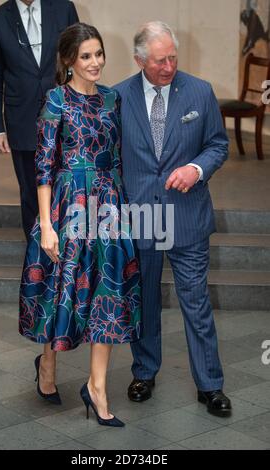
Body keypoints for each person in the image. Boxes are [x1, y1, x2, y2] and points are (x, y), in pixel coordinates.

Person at [19, 23, 141, 427]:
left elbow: (118, 157)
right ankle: (48, 363)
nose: (95, 62)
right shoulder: (56, 100)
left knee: (107, 292)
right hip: (68, 204)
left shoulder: (112, 99)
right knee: (63, 290)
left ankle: (97, 387)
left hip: (107, 205)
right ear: (69, 59)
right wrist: (46, 225)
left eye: (99, 54)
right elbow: (43, 166)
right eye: (86, 56)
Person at [114, 21, 232, 416]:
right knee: (144, 301)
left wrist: (196, 169)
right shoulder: (117, 97)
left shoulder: (199, 91)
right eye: (160, 60)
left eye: (173, 57)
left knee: (196, 302)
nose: (169, 66)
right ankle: (144, 372)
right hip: (141, 217)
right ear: (140, 60)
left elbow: (218, 144)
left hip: (187, 217)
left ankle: (210, 384)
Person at [0, 0, 79, 241]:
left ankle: (68, 250)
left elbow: (78, 60)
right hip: (22, 119)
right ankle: (37, 255)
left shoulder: (63, 8)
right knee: (30, 191)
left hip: (63, 115)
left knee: (67, 186)